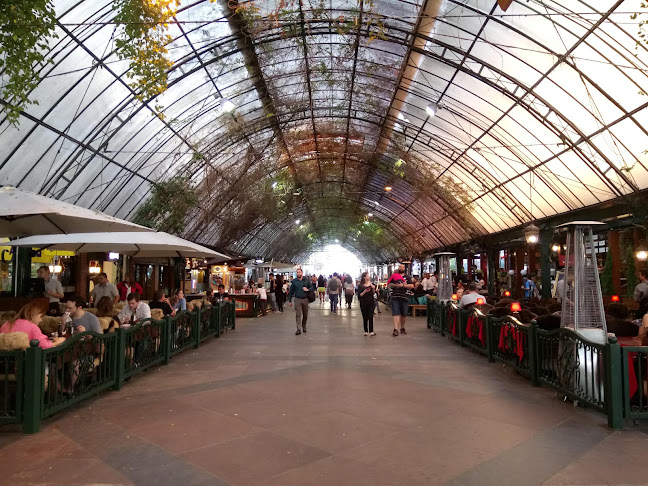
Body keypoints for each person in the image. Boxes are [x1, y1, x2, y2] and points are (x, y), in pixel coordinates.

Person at [388, 264, 414, 336]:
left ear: (404, 269)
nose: (401, 268)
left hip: (405, 297)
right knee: (396, 313)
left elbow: (412, 286)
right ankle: (395, 329)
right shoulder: (394, 276)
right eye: (400, 267)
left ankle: (402, 327)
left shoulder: (407, 277)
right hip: (395, 297)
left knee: (404, 314)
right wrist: (395, 285)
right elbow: (389, 285)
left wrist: (403, 285)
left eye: (402, 267)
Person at [288, 268, 313, 335]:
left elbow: (312, 287)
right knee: (298, 314)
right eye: (297, 272)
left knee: (305, 314)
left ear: (302, 273)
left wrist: (307, 289)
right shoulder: (294, 281)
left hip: (305, 299)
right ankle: (298, 329)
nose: (298, 273)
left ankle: (304, 326)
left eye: (299, 272)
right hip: (297, 299)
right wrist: (290, 300)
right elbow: (291, 291)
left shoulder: (306, 280)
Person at [357, 272, 376, 336]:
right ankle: (366, 331)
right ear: (364, 277)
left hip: (371, 302)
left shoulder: (372, 284)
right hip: (363, 303)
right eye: (367, 276)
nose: (369, 277)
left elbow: (374, 293)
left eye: (369, 276)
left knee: (371, 316)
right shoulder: (360, 286)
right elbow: (359, 296)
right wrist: (365, 291)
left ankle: (371, 331)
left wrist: (373, 288)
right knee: (365, 317)